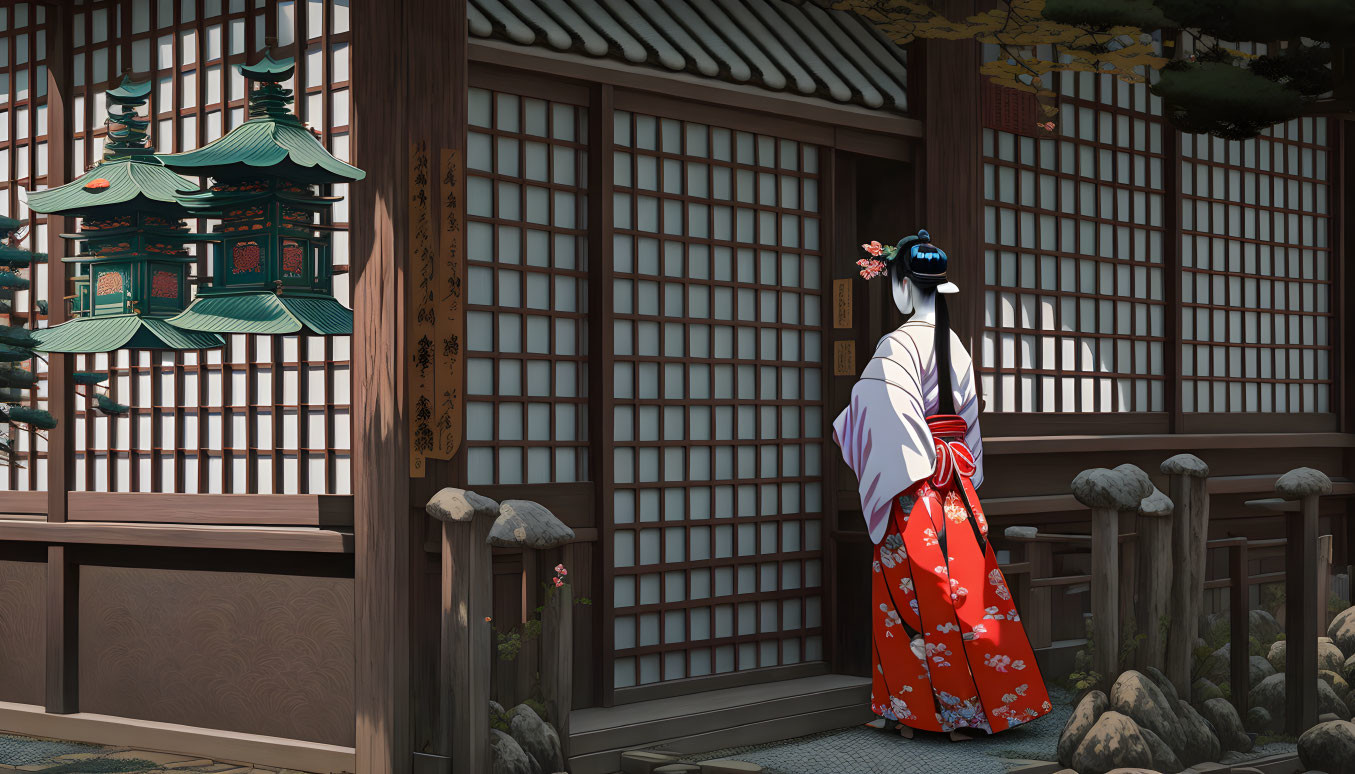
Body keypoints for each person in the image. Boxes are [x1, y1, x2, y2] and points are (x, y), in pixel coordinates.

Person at [833, 230, 1052, 741]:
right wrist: (959, 468)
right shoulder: (955, 346)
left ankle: (918, 711)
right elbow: (968, 426)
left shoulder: (896, 345)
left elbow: (873, 414)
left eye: (893, 284)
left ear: (905, 285)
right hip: (955, 490)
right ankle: (974, 710)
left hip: (913, 490)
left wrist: (865, 442)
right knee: (968, 599)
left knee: (909, 601)